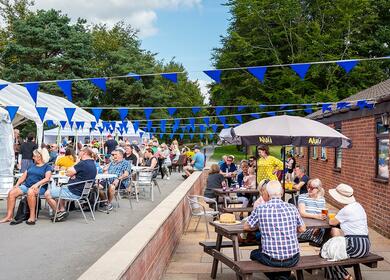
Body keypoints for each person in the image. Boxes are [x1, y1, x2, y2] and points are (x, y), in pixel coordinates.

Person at [244, 180, 306, 280]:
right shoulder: (292, 207)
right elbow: (302, 229)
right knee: (281, 262)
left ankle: (280, 278)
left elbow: (246, 227)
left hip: (271, 259)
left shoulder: (261, 208)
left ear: (267, 194)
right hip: (293, 258)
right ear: (281, 193)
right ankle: (283, 277)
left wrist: (260, 225)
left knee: (254, 254)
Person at [325, 184, 370, 280]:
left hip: (355, 245)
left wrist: (330, 217)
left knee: (329, 252)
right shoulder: (358, 206)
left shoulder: (346, 210)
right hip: (365, 245)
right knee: (331, 250)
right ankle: (335, 276)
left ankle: (344, 276)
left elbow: (332, 222)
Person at [0, 149, 52, 225]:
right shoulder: (31, 165)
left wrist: (37, 184)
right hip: (27, 186)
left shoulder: (47, 167)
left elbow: (47, 178)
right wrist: (17, 184)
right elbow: (23, 177)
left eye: (34, 156)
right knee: (12, 193)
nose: (33, 158)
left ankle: (32, 216)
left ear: (39, 157)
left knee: (30, 192)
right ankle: (9, 216)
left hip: (39, 188)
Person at [45, 147, 97, 222]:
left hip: (74, 191)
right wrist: (74, 174)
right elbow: (75, 174)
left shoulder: (82, 163)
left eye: (80, 151)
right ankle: (62, 210)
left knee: (47, 194)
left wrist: (76, 164)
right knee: (61, 188)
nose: (78, 152)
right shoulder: (92, 163)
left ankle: (59, 212)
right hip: (82, 192)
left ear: (84, 153)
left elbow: (69, 172)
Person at [297, 178, 326, 245]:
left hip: (318, 227)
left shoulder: (322, 199)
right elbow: (302, 213)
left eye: (312, 188)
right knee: (328, 234)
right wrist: (317, 216)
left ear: (318, 189)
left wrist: (324, 215)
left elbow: (324, 212)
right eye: (308, 187)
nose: (309, 189)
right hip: (305, 228)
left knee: (333, 230)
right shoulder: (302, 197)